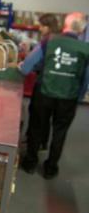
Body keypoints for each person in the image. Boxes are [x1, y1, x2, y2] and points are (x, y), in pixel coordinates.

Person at [19, 12, 89, 179]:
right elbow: (86, 79)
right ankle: (51, 168)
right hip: (68, 97)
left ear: (65, 25)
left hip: (44, 93)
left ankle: (30, 163)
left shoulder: (48, 42)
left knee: (37, 126)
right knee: (60, 131)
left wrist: (23, 68)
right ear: (82, 29)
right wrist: (77, 97)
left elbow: (27, 67)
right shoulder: (86, 49)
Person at [25, 14, 60, 151]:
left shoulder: (46, 41)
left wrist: (23, 67)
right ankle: (43, 144)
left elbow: (29, 64)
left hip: (43, 85)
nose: (39, 29)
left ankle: (32, 152)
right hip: (56, 86)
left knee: (37, 117)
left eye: (42, 26)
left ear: (49, 26)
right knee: (47, 119)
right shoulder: (60, 40)